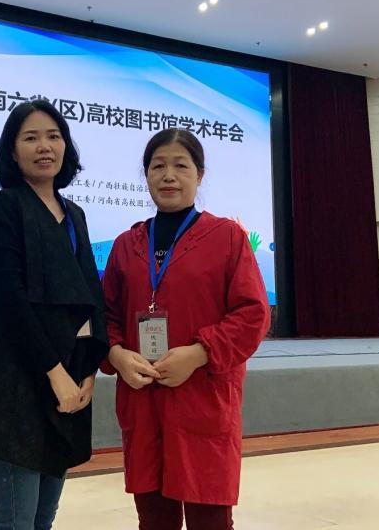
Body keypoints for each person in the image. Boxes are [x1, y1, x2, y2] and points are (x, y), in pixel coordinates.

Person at [101, 128, 270, 530]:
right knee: (153, 519)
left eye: (181, 166)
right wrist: (116, 354)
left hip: (202, 395)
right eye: (158, 166)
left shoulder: (227, 237)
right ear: (146, 174)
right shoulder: (127, 244)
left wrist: (199, 353)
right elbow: (105, 314)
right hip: (143, 397)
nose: (168, 176)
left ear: (200, 174)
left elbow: (253, 313)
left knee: (209, 516)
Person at [0, 100, 109, 530]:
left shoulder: (75, 214)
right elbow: (8, 301)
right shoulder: (4, 206)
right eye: (30, 138)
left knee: (43, 518)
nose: (44, 146)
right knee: (15, 520)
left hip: (68, 381)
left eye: (53, 136)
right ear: (13, 152)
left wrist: (88, 370)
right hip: (18, 383)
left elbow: (90, 295)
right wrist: (55, 373)